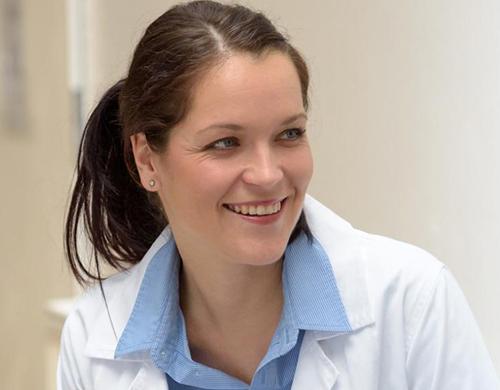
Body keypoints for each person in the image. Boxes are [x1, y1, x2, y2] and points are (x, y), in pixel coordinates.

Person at [57, 1, 499, 389]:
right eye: (225, 142)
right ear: (148, 161)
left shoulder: (411, 305)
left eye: (289, 134)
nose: (269, 175)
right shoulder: (94, 335)